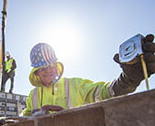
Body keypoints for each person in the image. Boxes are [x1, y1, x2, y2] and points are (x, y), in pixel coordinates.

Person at [22, 34, 155, 116]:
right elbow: (22, 119)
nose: (48, 70)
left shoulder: (74, 85)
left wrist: (127, 81)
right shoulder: (33, 96)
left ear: (56, 66)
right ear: (36, 72)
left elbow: (103, 92)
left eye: (51, 65)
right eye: (43, 67)